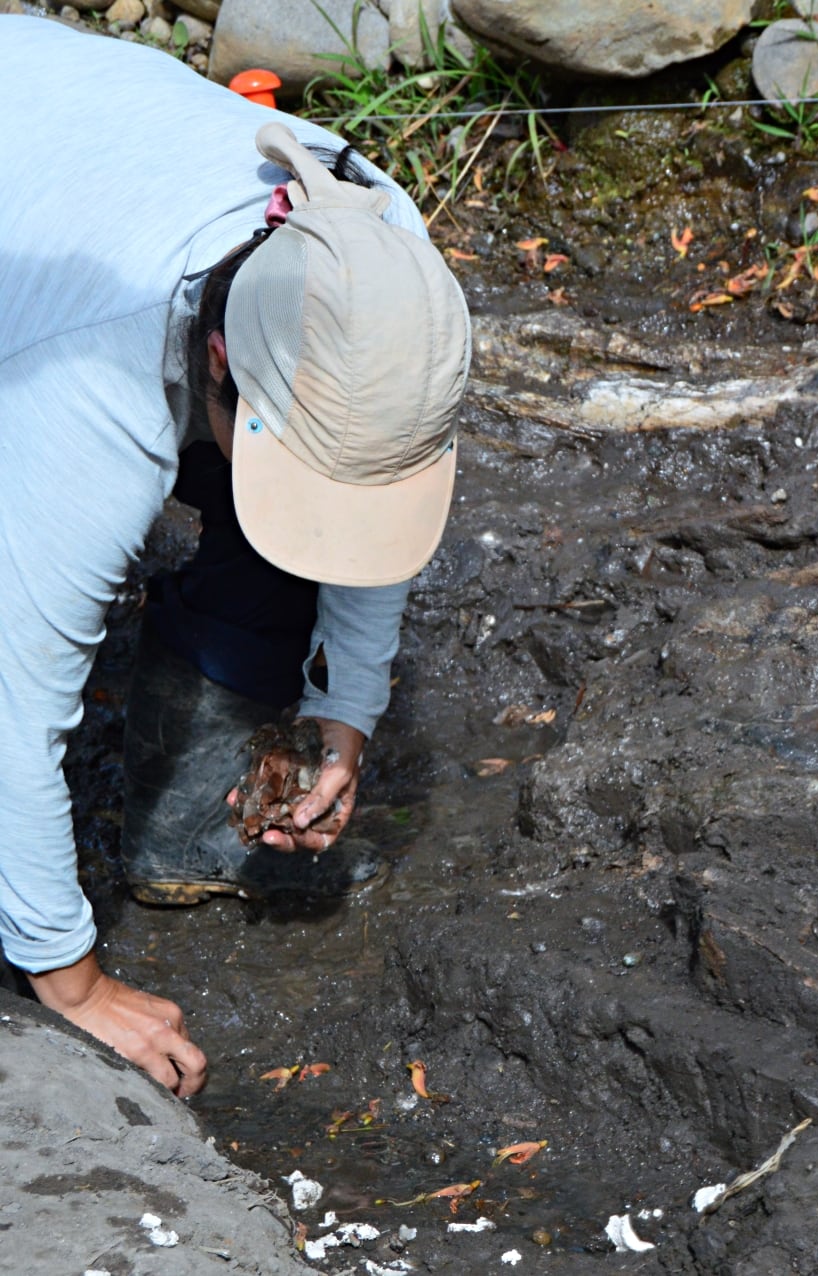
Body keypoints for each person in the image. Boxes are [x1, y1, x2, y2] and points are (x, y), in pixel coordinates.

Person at [0, 16, 470, 1097]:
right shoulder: (85, 388)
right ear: (220, 357)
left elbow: (373, 486)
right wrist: (69, 980)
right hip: (40, 263)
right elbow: (13, 710)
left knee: (275, 537)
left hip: (103, 196)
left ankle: (179, 788)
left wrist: (344, 712)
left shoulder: (381, 263)